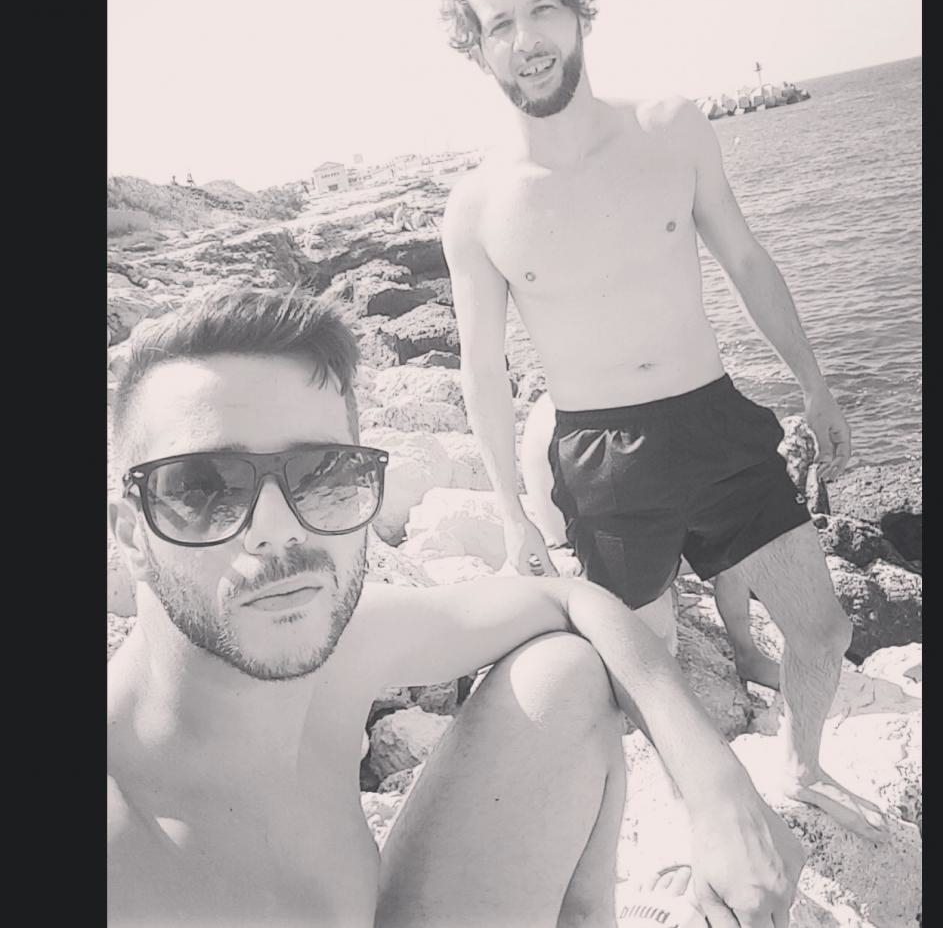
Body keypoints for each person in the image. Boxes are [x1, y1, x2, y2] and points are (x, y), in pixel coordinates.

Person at [107, 287, 802, 927]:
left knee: (562, 674)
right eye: (202, 488)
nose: (278, 528)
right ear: (132, 533)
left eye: (322, 475)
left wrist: (716, 791)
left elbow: (570, 598)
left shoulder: (343, 644)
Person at [440, 0, 885, 840]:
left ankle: (801, 769)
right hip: (602, 460)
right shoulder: (478, 206)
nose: (525, 39)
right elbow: (481, 369)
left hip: (713, 418)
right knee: (649, 674)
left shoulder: (669, 128)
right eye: (499, 24)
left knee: (824, 631)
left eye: (542, 8)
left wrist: (814, 384)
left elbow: (746, 259)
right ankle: (698, 823)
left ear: (577, 11)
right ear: (476, 46)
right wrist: (512, 516)